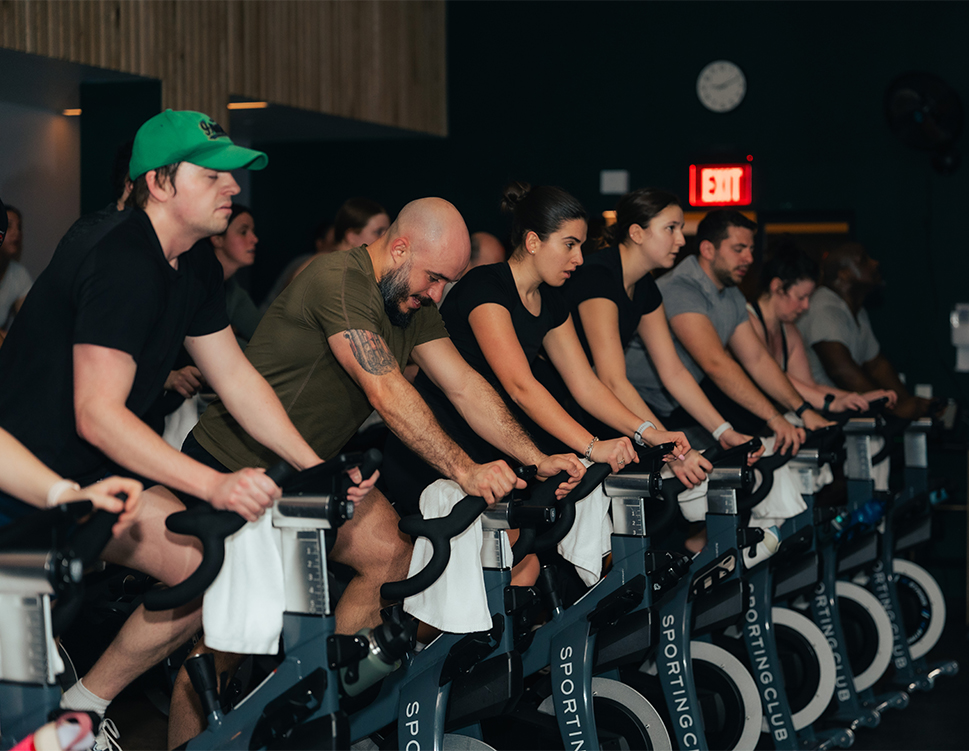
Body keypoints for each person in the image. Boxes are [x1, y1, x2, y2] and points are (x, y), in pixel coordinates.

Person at [0, 109, 372, 750]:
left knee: (205, 566)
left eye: (235, 175)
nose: (234, 187)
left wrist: (317, 468)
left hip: (93, 482)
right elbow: (99, 413)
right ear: (160, 184)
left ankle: (82, 709)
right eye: (215, 175)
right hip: (21, 483)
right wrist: (217, 484)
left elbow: (237, 380)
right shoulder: (118, 256)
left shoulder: (195, 263)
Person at [382, 183, 696, 523]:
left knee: (522, 563)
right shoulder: (486, 286)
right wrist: (592, 446)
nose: (578, 258)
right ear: (533, 242)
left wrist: (648, 432)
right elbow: (520, 386)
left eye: (580, 246)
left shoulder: (551, 300)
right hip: (438, 442)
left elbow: (585, 384)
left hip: (493, 440)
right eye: (569, 245)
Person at [562, 188, 760, 458]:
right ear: (637, 233)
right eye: (671, 228)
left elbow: (674, 373)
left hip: (588, 400)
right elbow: (612, 379)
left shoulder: (646, 286)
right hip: (559, 400)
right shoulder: (599, 275)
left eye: (680, 228)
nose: (680, 239)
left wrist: (723, 431)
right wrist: (668, 446)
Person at [625, 210, 832, 454]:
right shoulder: (680, 288)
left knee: (745, 451)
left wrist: (803, 410)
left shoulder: (732, 293)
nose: (748, 258)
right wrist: (775, 419)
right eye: (739, 249)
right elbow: (716, 363)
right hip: (632, 405)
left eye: (751, 250)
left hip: (676, 403)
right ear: (708, 250)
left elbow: (757, 359)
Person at [748, 242, 897, 413]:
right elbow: (776, 378)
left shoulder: (789, 331)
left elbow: (809, 386)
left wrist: (856, 398)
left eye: (809, 298)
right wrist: (832, 404)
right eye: (801, 297)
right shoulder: (747, 322)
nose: (806, 306)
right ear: (777, 287)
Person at [797, 242, 930, 420]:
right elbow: (841, 371)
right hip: (817, 415)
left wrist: (909, 404)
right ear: (843, 274)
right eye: (863, 260)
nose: (875, 263)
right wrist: (892, 408)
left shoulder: (857, 311)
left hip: (841, 412)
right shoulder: (824, 307)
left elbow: (876, 365)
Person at [0, 203, 33, 335]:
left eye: (19, 227)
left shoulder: (18, 273)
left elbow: (30, 321)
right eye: (8, 226)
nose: (17, 233)